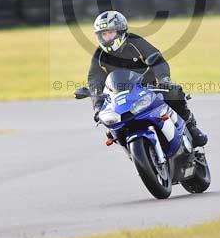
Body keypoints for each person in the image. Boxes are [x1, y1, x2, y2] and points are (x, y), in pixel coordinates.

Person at [86, 10, 208, 147]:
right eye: (103, 34)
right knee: (110, 126)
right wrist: (97, 105)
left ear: (120, 31)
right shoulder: (100, 55)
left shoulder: (135, 42)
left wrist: (164, 79)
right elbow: (94, 79)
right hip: (119, 96)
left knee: (174, 92)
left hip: (147, 89)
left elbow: (157, 59)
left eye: (110, 33)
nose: (106, 38)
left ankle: (190, 126)